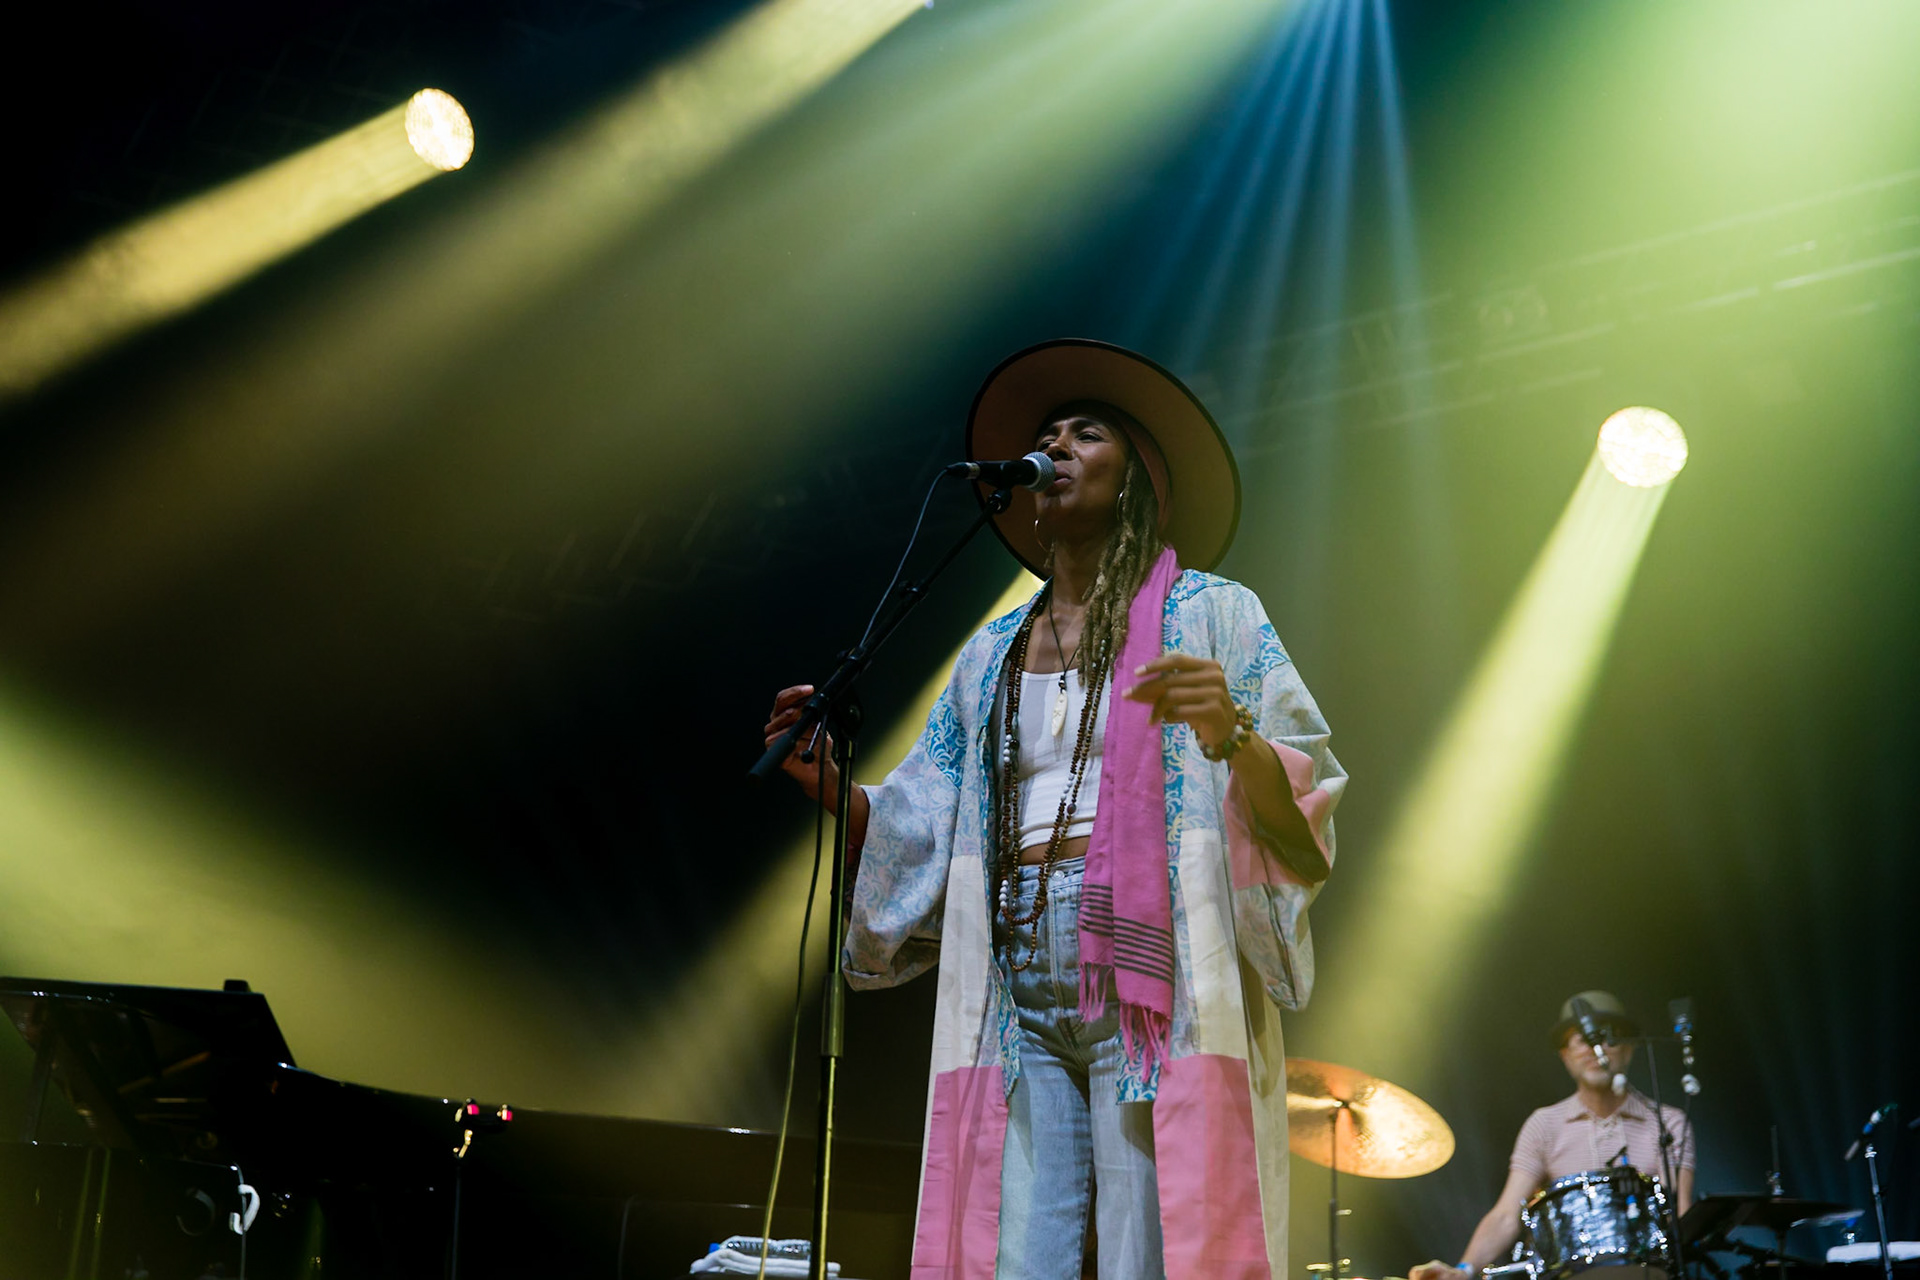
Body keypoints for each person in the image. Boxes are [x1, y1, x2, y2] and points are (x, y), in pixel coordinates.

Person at [764, 339, 1345, 1280]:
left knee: (1147, 1252)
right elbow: (924, 824)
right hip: (1016, 958)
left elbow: (1303, 812)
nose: (1057, 447)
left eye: (1087, 433)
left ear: (1138, 478)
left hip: (1145, 967)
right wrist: (840, 793)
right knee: (1009, 1250)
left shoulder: (1214, 615)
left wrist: (1235, 735)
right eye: (1047, 437)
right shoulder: (989, 654)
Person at [1408, 991, 1696, 1280]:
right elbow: (1506, 1215)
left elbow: (1684, 1214)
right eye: (1583, 1040)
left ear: (1629, 1049)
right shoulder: (1544, 1124)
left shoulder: (1668, 1121)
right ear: (1566, 1056)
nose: (1597, 1050)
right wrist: (1462, 1270)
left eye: (1607, 1037)